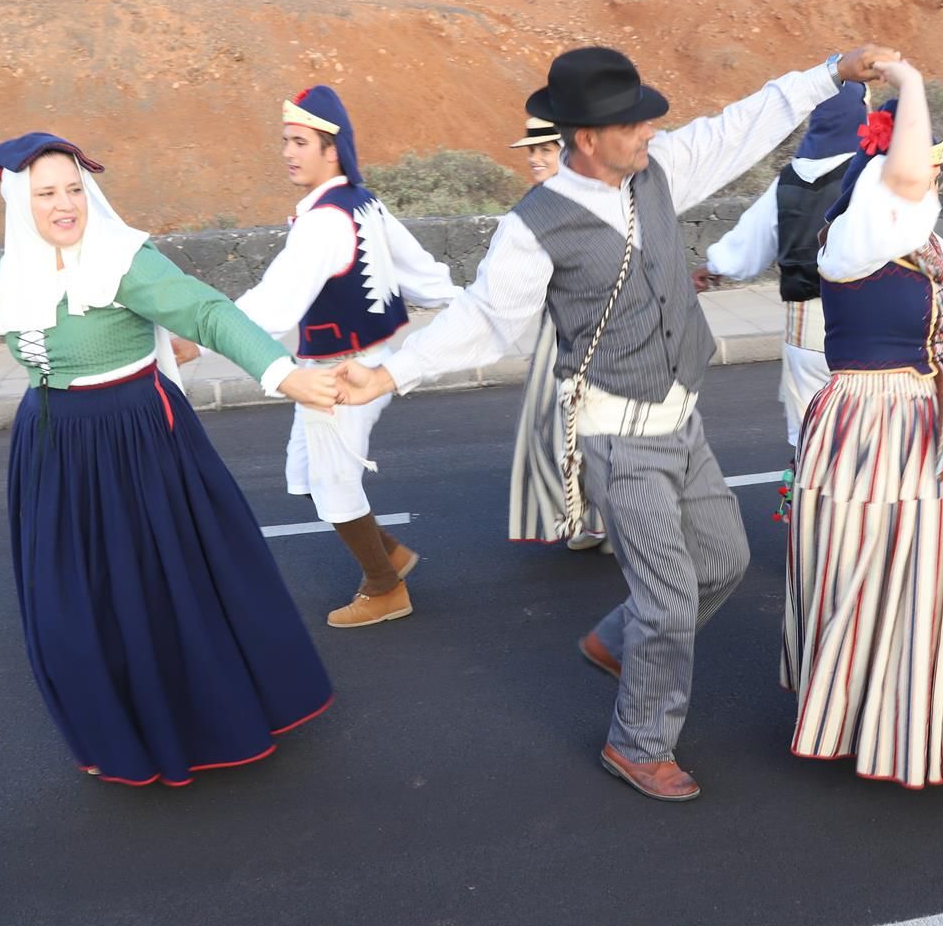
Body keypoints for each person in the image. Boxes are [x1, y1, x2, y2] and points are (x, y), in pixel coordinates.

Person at [338, 42, 901, 802]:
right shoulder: (534, 226)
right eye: (632, 123)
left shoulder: (657, 169)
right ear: (586, 137)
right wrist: (386, 373)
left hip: (682, 420)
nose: (648, 131)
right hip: (617, 434)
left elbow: (742, 124)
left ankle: (616, 638)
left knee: (724, 563)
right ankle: (637, 743)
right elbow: (483, 321)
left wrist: (832, 71)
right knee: (668, 600)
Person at [0, 132, 337, 787]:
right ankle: (117, 730)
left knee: (160, 588)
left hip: (133, 440)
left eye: (74, 189)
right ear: (18, 203)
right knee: (74, 605)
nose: (64, 205)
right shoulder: (15, 268)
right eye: (46, 193)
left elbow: (206, 312)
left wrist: (283, 373)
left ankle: (205, 722)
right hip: (53, 447)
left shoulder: (122, 258)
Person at [785, 57, 943, 789]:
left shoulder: (934, 251)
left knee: (930, 571)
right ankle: (867, 714)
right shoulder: (857, 233)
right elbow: (898, 183)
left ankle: (921, 711)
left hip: (932, 417)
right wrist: (911, 81)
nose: (931, 175)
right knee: (875, 566)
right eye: (925, 162)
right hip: (873, 419)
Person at [224, 86, 457, 629]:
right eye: (286, 140)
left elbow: (274, 303)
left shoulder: (325, 221)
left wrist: (205, 330)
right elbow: (424, 275)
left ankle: (385, 587)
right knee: (307, 474)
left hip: (341, 373)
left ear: (333, 149)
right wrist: (471, 304)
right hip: (353, 360)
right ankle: (389, 554)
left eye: (300, 142)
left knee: (332, 483)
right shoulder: (361, 201)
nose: (288, 152)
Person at [692, 82, 866, 455]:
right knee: (869, 442)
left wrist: (714, 267)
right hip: (862, 330)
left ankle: (806, 491)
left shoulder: (787, 180)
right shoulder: (868, 176)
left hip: (804, 336)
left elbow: (748, 244)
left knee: (811, 443)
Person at [506, 114, 612, 552]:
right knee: (551, 428)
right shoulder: (541, 202)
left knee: (579, 427)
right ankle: (587, 515)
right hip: (555, 329)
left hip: (591, 329)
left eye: (545, 150)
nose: (535, 158)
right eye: (532, 150)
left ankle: (607, 519)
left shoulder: (586, 202)